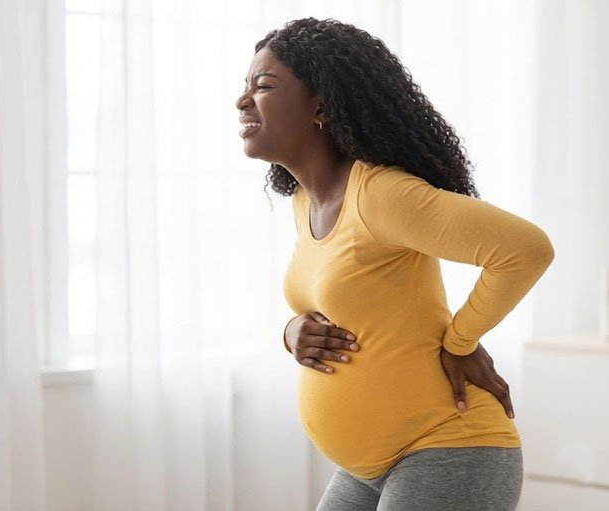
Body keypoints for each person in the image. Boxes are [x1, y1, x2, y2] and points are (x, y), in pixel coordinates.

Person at [234, 17, 554, 511]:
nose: (242, 100)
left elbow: (524, 249)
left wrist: (460, 340)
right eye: (244, 87)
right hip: (370, 464)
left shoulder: (382, 194)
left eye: (263, 86)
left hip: (448, 448)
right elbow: (344, 299)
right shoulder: (305, 202)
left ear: (320, 104)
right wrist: (293, 332)